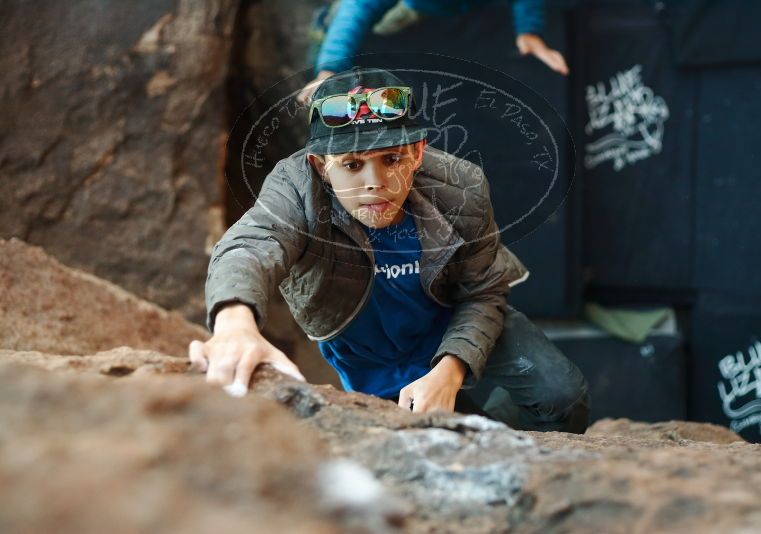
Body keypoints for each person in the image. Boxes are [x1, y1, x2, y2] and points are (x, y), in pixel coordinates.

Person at [189, 66, 590, 433]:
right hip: (369, 342)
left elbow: (483, 291)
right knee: (437, 439)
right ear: (319, 165)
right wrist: (234, 324)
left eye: (391, 158)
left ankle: (510, 440)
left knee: (562, 397)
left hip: (452, 312)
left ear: (417, 152)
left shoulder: (461, 185)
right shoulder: (295, 187)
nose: (375, 183)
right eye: (351, 165)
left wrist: (451, 369)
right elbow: (250, 245)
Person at [296, 0, 569, 104]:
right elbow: (357, 9)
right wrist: (329, 69)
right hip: (410, 10)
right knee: (347, 22)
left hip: (461, 12)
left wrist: (529, 31)